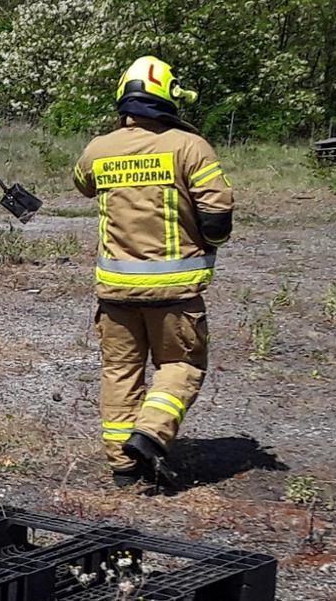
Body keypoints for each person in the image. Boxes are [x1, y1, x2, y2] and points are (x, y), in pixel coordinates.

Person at [72, 56, 234, 490]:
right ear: (167, 98)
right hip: (175, 292)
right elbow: (218, 219)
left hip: (116, 292)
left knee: (120, 373)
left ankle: (122, 468)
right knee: (181, 363)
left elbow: (83, 184)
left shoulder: (97, 149)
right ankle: (152, 430)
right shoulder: (190, 147)